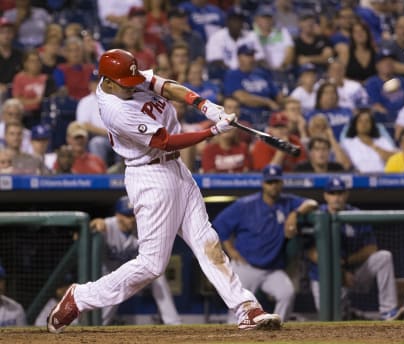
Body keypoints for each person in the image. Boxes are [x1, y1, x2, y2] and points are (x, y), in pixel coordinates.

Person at [47, 48, 282, 333]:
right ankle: (81, 296)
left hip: (176, 170)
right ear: (107, 82)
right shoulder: (114, 109)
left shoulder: (125, 78)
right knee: (151, 265)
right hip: (150, 176)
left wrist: (203, 104)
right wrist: (212, 131)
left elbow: (162, 85)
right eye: (126, 84)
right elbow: (164, 141)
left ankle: (245, 307)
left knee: (207, 241)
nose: (133, 86)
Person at [213, 165, 318, 322]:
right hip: (246, 266)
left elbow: (312, 203)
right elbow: (219, 224)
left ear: (282, 183)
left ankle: (276, 328)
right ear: (263, 183)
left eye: (276, 182)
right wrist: (231, 250)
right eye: (270, 182)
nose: (273, 186)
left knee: (286, 293)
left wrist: (295, 213)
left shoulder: (288, 202)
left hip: (272, 269)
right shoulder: (245, 205)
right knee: (238, 312)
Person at [307, 177, 404, 321]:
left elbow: (371, 248)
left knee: (384, 257)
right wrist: (339, 271)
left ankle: (388, 311)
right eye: (332, 193)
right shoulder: (317, 215)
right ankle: (350, 312)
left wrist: (346, 263)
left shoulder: (355, 214)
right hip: (324, 278)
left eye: (340, 193)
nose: (337, 198)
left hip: (353, 274)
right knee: (329, 319)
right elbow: (312, 253)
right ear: (326, 195)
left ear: (346, 195)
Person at [90, 196, 181, 325]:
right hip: (109, 275)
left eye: (134, 215)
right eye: (127, 216)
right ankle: (95, 329)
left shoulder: (143, 228)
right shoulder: (107, 225)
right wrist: (93, 225)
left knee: (158, 277)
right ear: (118, 215)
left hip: (132, 273)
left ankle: (173, 323)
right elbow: (84, 234)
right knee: (105, 310)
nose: (132, 220)